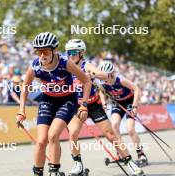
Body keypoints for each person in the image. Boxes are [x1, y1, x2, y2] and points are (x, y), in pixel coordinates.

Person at [16, 32, 92, 176]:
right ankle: (37, 172)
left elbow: (87, 81)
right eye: (38, 51)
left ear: (54, 50)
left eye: (45, 51)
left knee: (52, 136)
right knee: (41, 140)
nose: (42, 55)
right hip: (48, 100)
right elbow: (25, 86)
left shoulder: (65, 63)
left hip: (67, 100)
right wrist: (21, 111)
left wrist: (84, 105)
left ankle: (54, 170)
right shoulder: (35, 65)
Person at [65, 39, 145, 176]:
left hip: (94, 105)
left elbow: (104, 75)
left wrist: (90, 75)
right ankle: (78, 164)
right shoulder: (66, 68)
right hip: (79, 106)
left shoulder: (86, 65)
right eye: (68, 52)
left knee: (111, 135)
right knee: (72, 134)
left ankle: (129, 162)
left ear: (81, 53)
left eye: (74, 52)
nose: (71, 55)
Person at [98, 61, 148, 166]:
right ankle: (121, 153)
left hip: (129, 102)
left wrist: (134, 106)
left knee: (130, 129)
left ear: (111, 73)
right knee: (114, 126)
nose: (103, 78)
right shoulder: (102, 82)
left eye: (105, 75)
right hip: (117, 103)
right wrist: (104, 103)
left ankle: (141, 154)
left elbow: (137, 89)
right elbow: (101, 92)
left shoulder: (120, 80)